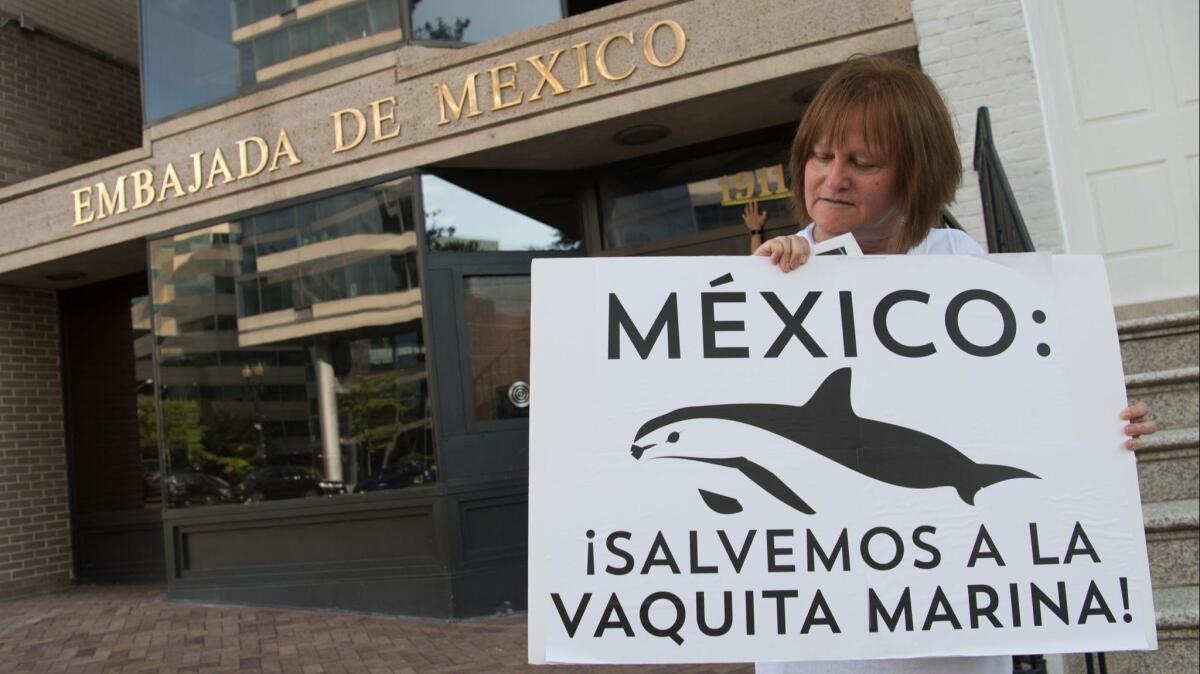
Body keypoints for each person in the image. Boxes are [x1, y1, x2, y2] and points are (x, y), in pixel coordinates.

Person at [745, 56, 1156, 674]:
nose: (832, 179)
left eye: (863, 162)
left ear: (915, 175)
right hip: (816, 636)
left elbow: (1030, 416)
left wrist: (1104, 433)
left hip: (948, 640)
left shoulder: (976, 277)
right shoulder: (771, 277)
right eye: (821, 155)